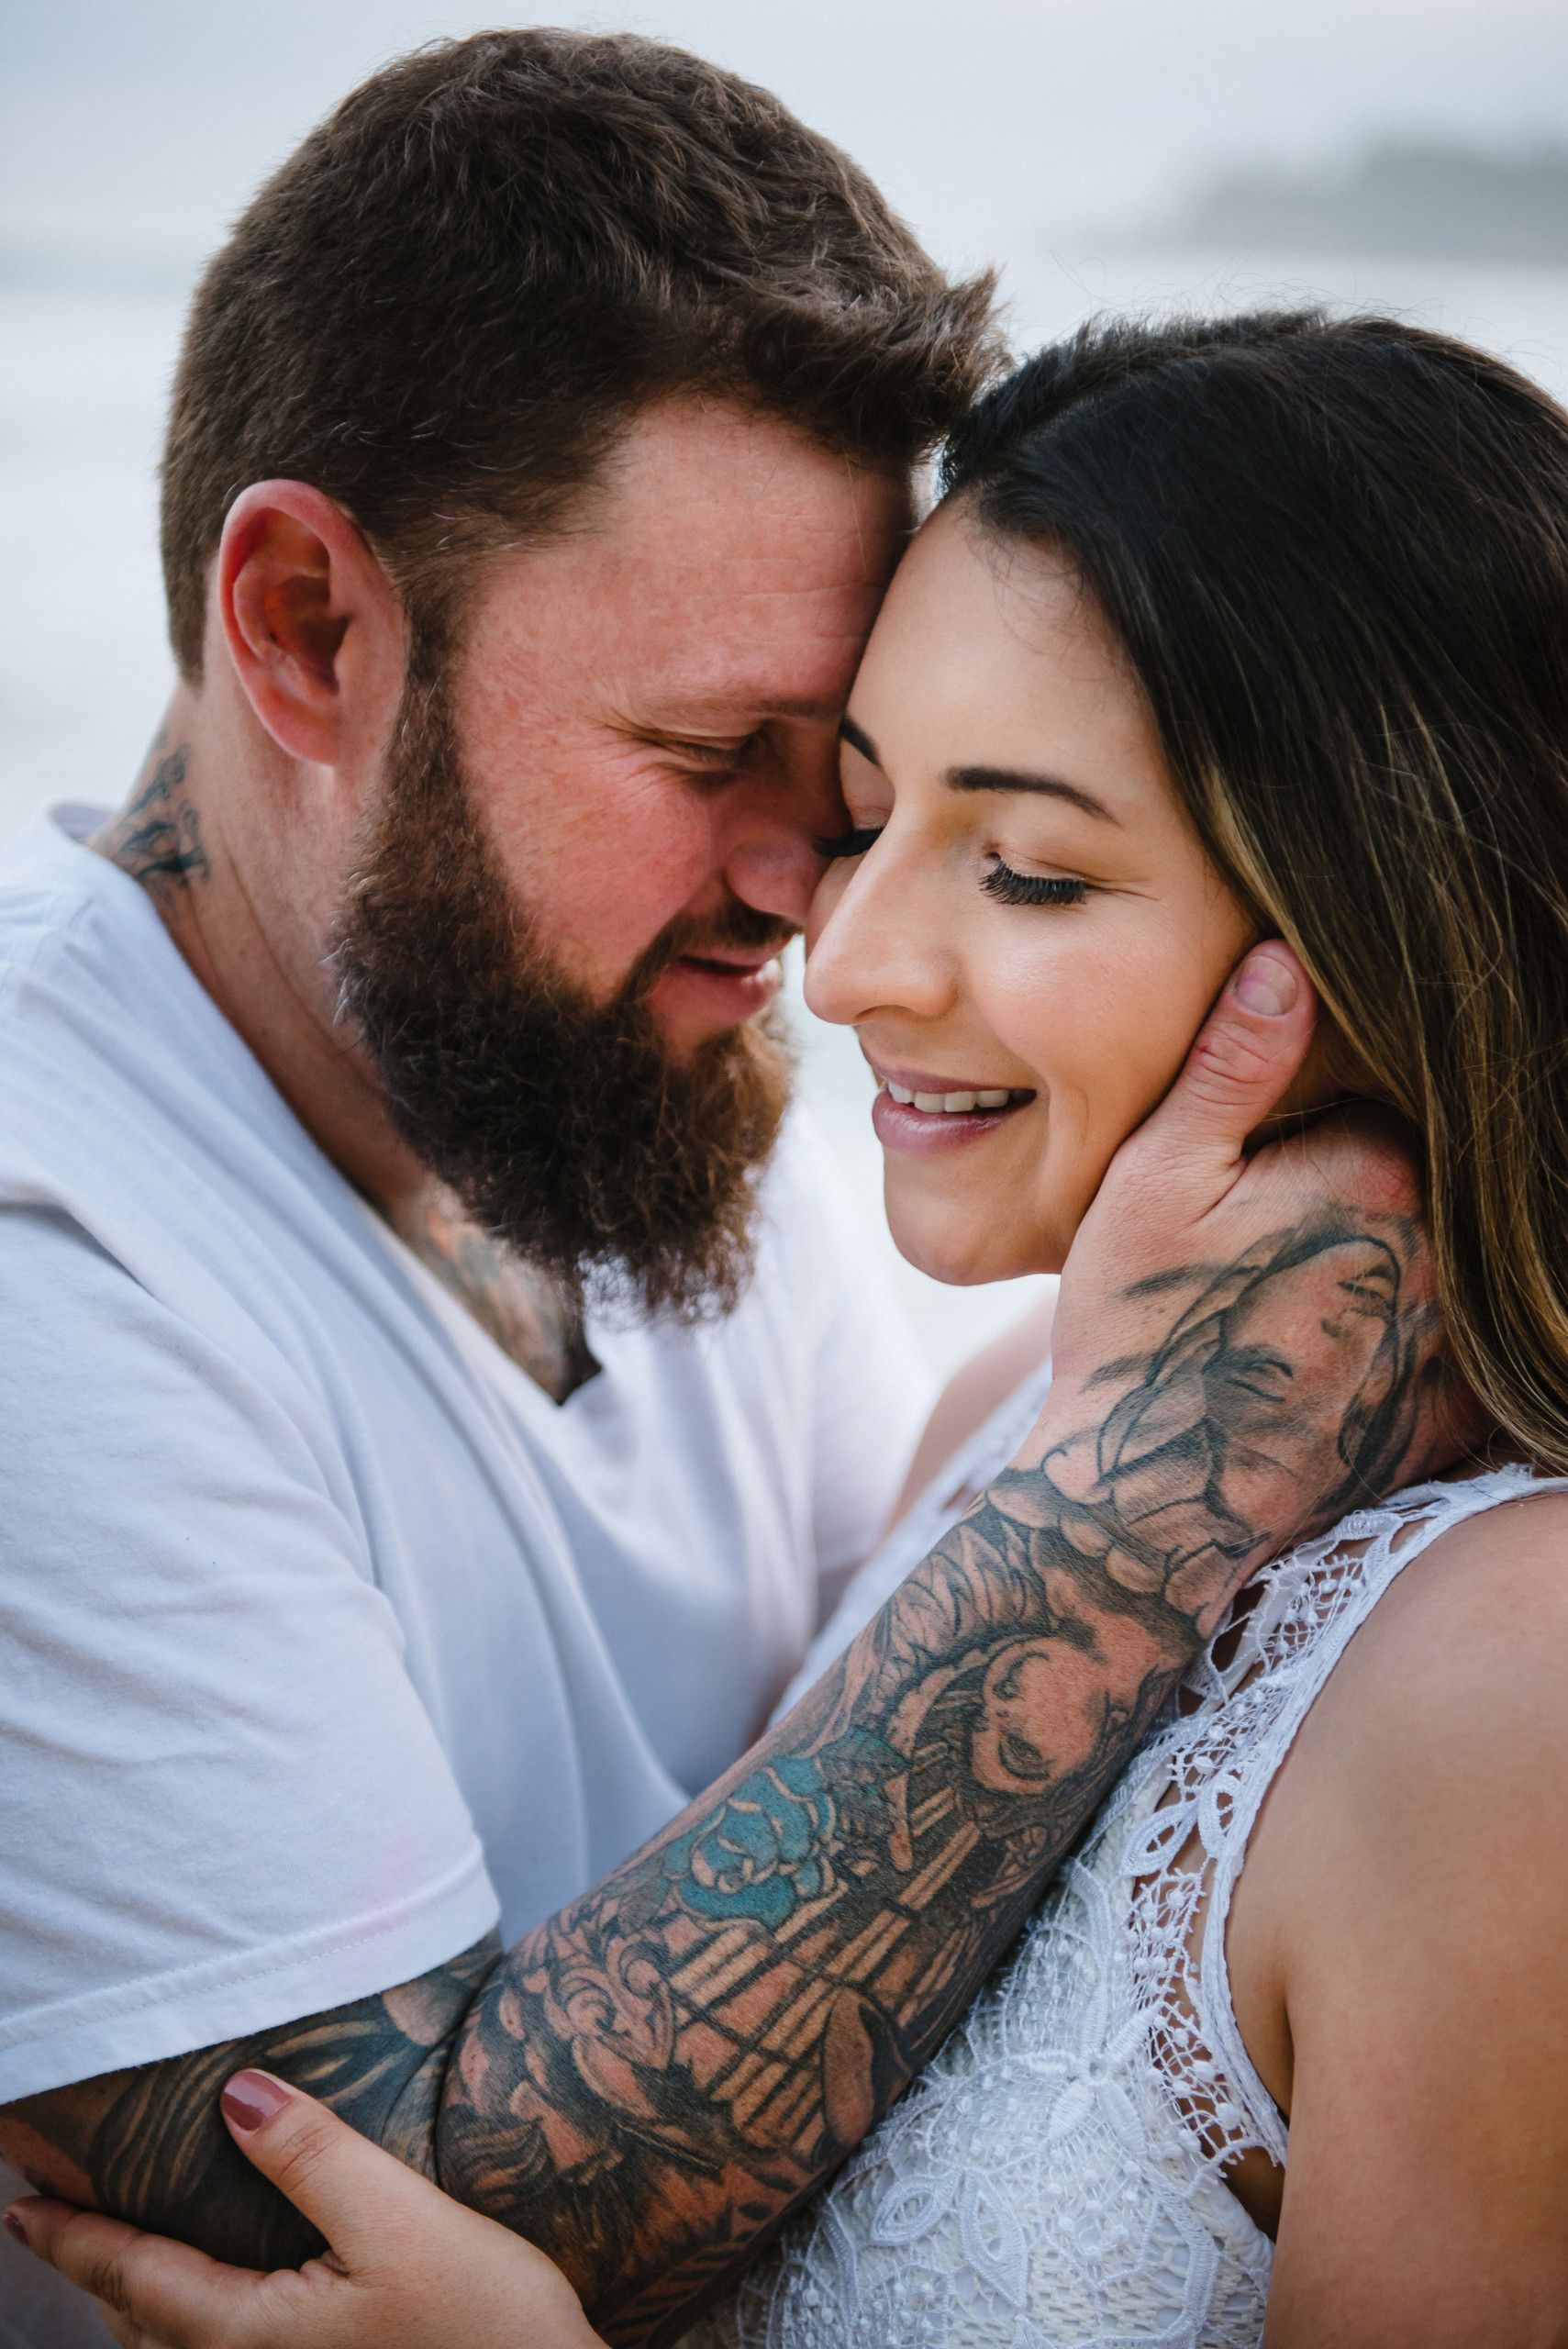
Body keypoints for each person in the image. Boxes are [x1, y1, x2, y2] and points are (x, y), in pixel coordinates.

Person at [0, 26, 1456, 2344]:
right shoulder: (45, 1245)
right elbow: (363, 2246)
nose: (814, 912)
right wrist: (1139, 1486)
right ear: (301, 628)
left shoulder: (646, 1079)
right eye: (709, 756)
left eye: (853, 783)